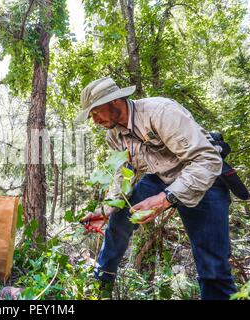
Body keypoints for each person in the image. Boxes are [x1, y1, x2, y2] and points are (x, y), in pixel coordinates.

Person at [76, 77, 237, 300]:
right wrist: (106, 209)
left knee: (213, 268)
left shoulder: (160, 112)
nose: (94, 120)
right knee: (119, 221)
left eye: (95, 112)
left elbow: (207, 160)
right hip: (161, 177)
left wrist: (165, 199)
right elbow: (123, 172)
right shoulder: (113, 135)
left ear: (114, 102)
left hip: (203, 178)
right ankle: (100, 286)